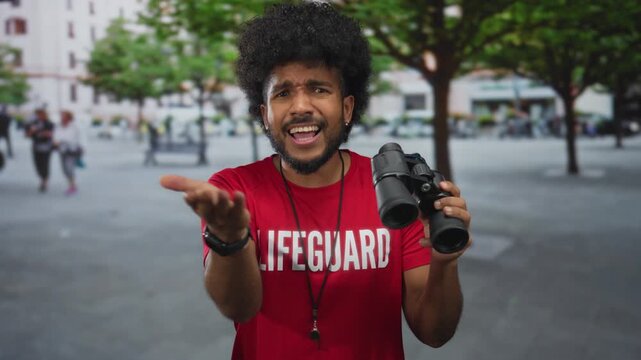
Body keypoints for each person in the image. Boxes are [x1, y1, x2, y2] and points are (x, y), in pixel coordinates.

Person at [160, 3, 472, 359]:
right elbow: (239, 309)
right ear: (264, 115)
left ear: (348, 108)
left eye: (319, 89)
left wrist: (444, 262)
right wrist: (229, 240)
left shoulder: (394, 193)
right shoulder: (235, 191)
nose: (300, 106)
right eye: (282, 93)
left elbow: (434, 332)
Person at [53, 110, 84, 195]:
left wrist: (82, 147)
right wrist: (56, 141)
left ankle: (72, 186)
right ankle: (71, 184)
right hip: (62, 150)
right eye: (61, 116)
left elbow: (79, 137)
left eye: (64, 116)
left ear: (69, 117)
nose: (62, 118)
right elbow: (56, 136)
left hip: (71, 150)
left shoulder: (75, 126)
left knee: (69, 168)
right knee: (64, 169)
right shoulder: (58, 126)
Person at [25, 108, 55, 192]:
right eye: (37, 115)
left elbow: (51, 134)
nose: (39, 116)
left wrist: (41, 133)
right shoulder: (33, 124)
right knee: (37, 164)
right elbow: (27, 135)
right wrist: (31, 131)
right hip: (36, 146)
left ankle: (44, 181)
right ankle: (41, 177)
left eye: (40, 114)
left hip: (46, 147)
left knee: (45, 163)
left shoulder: (49, 123)